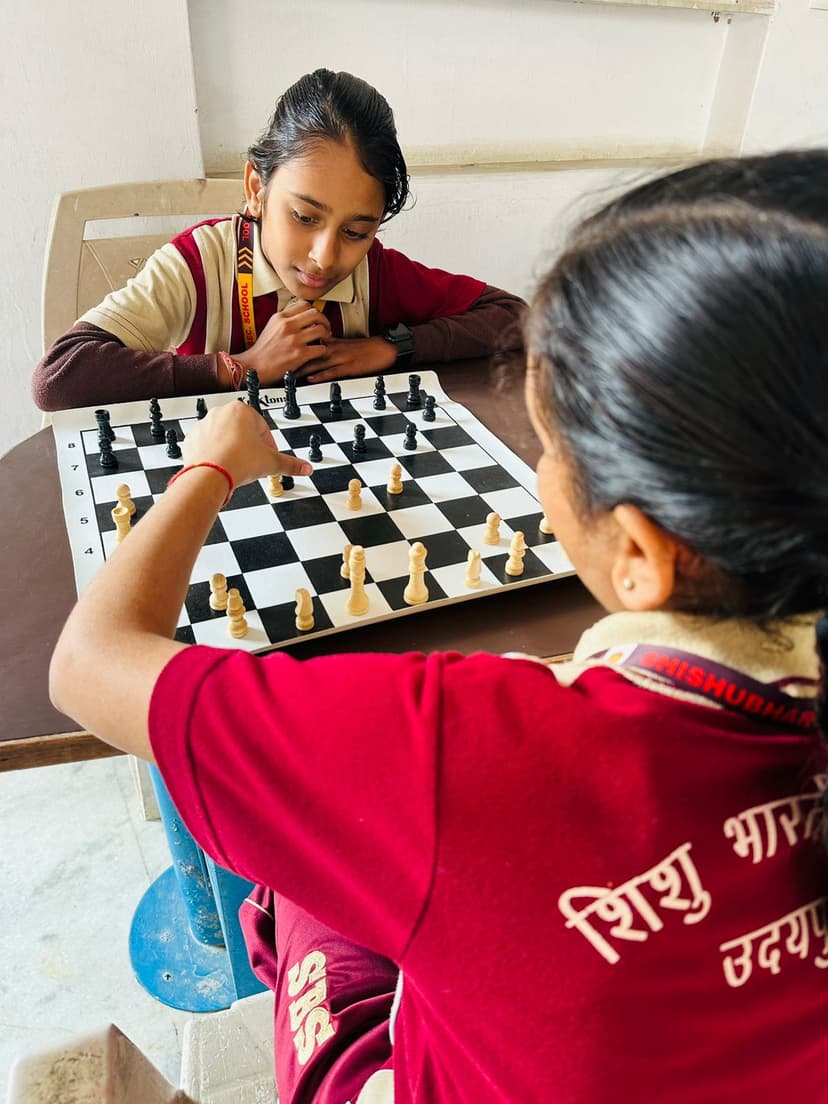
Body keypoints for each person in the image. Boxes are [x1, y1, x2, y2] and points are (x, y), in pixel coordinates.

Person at [48, 149, 828, 1103]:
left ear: (636, 551)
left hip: (407, 1059)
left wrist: (207, 470)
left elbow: (89, 663)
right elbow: (66, 371)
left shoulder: (454, 745)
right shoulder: (198, 261)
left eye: (548, 443)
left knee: (308, 868)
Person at [33, 68, 525, 412]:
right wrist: (238, 368)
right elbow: (60, 376)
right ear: (256, 190)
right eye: (304, 216)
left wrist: (393, 348)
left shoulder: (375, 271)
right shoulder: (198, 265)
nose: (326, 257)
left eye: (357, 231)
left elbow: (515, 318)